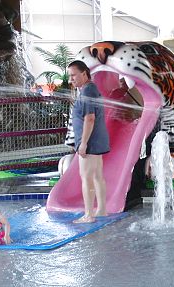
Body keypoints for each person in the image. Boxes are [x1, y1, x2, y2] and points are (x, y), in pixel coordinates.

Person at [67, 60, 110, 223]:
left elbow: (89, 118)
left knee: (86, 177)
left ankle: (88, 215)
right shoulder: (89, 89)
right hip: (97, 140)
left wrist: (83, 143)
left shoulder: (87, 92)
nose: (71, 79)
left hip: (90, 142)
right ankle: (101, 210)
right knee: (97, 175)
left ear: (84, 73)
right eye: (70, 76)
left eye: (74, 75)